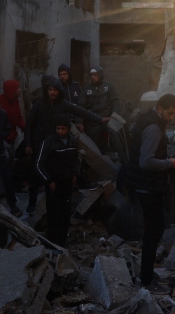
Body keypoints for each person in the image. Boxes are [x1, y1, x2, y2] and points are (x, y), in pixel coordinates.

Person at [122, 94, 175, 290]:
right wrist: (169, 163)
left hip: (144, 185)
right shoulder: (154, 128)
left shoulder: (148, 120)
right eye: (169, 113)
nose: (172, 117)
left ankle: (147, 274)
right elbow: (146, 161)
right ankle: (146, 279)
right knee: (153, 232)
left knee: (152, 231)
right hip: (148, 187)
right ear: (160, 108)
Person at [20, 75, 103, 214]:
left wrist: (100, 119)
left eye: (55, 90)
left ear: (59, 91)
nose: (52, 92)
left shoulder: (63, 104)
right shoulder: (39, 104)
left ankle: (59, 203)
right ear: (46, 90)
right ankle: (32, 203)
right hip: (38, 144)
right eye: (50, 89)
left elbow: (80, 111)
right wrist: (28, 143)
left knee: (57, 174)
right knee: (35, 175)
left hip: (55, 146)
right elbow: (29, 125)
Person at [36, 114, 81, 246]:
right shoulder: (49, 142)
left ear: (68, 129)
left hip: (67, 184)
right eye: (58, 128)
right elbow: (39, 164)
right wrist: (49, 181)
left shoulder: (72, 141)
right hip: (54, 185)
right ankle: (53, 244)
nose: (60, 131)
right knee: (54, 215)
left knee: (65, 214)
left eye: (63, 129)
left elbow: (76, 161)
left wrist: (75, 175)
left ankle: (62, 244)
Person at [82, 67, 119, 150]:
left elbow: (115, 101)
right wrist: (79, 121)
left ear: (100, 75)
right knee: (93, 146)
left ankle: (121, 157)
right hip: (92, 121)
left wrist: (115, 114)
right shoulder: (86, 89)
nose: (92, 77)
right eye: (91, 75)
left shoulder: (109, 86)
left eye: (95, 75)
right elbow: (80, 106)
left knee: (119, 131)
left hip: (108, 118)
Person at [0, 79, 26, 151]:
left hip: (12, 138)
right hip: (1, 138)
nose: (19, 90)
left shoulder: (15, 101)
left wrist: (25, 128)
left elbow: (18, 117)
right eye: (17, 88)